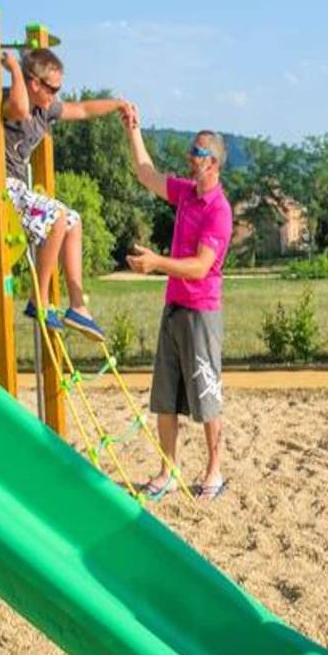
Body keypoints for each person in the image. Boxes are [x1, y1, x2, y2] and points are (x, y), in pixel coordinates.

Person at [0, 48, 129, 340]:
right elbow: (20, 109)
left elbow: (81, 109)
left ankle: (78, 305)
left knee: (72, 220)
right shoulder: (11, 99)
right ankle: (38, 299)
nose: (56, 95)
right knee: (57, 216)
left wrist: (118, 104)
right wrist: (15, 69)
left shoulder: (47, 109)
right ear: (34, 84)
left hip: (14, 188)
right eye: (52, 88)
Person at [120, 107, 232, 501]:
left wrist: (156, 264)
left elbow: (201, 267)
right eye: (191, 150)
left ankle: (214, 473)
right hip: (175, 309)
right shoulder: (186, 192)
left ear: (214, 163)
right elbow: (146, 173)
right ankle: (168, 471)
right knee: (165, 396)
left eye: (197, 152)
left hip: (201, 313)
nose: (190, 157)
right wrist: (134, 130)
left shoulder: (219, 211)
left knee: (206, 397)